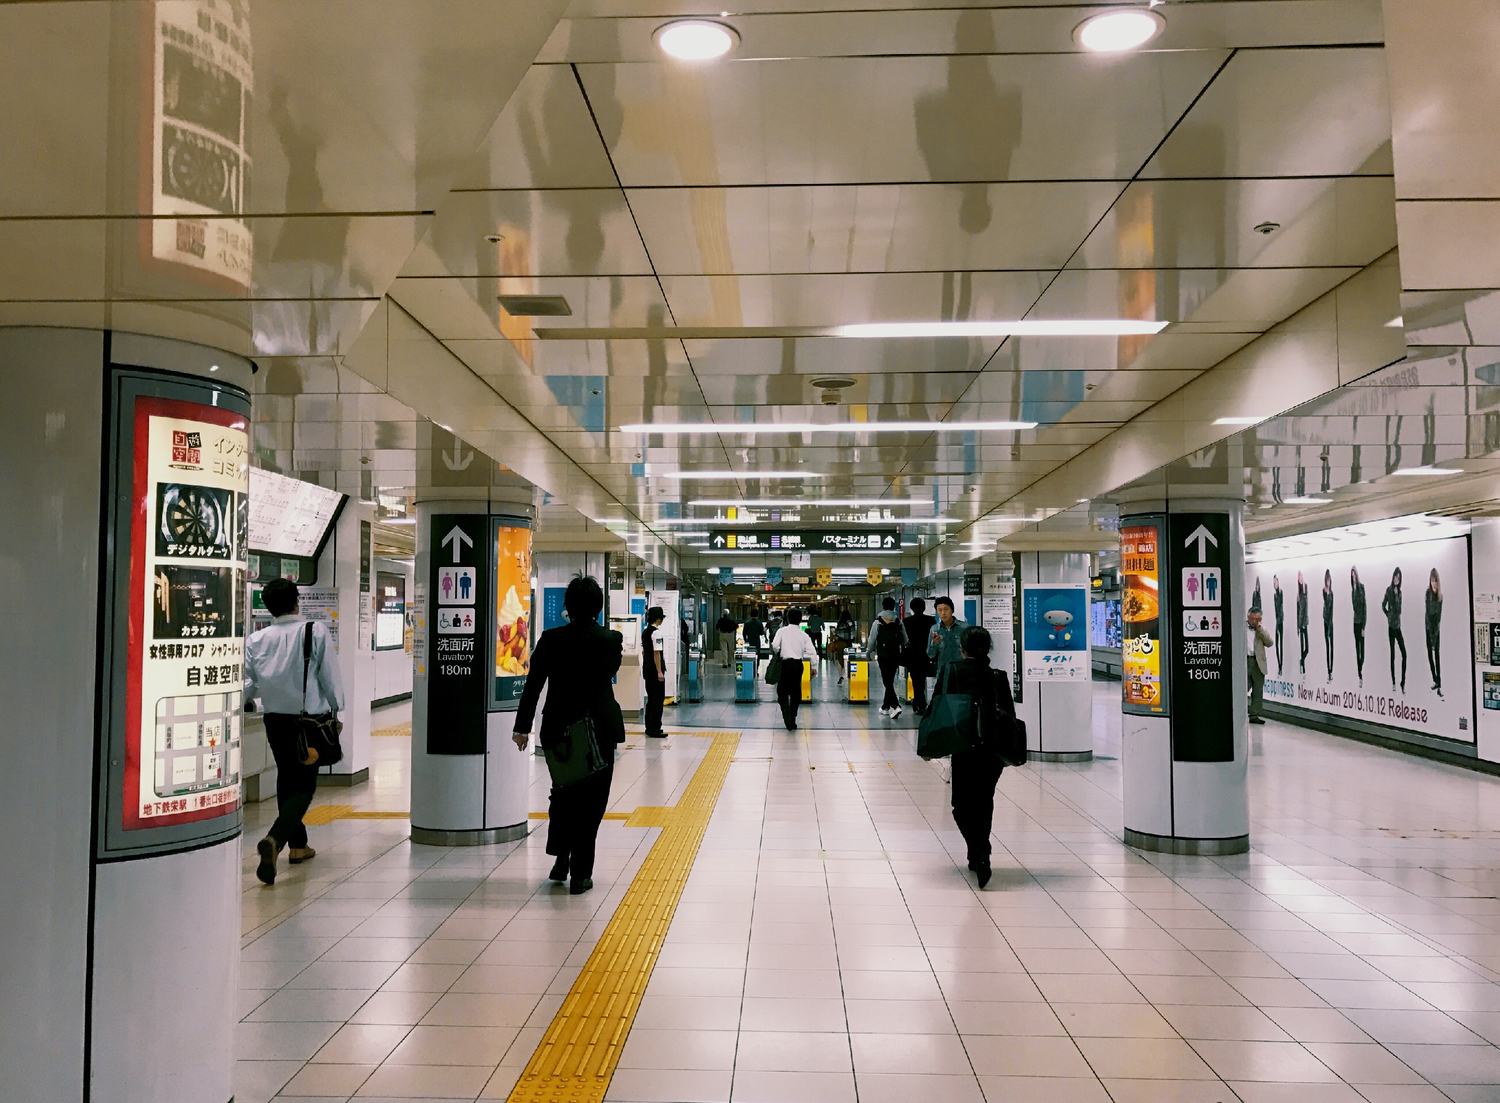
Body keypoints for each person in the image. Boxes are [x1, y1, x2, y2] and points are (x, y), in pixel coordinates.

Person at [512, 576, 625, 895]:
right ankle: (581, 874)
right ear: (599, 607)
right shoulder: (610, 640)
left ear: (567, 607)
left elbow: (532, 685)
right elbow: (607, 675)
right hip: (598, 731)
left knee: (563, 795)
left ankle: (562, 859)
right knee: (592, 803)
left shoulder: (551, 639)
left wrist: (522, 727)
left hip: (560, 730)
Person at [244, 578, 345, 886]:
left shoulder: (256, 639)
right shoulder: (314, 631)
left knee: (287, 776)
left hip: (274, 719)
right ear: (296, 601)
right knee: (304, 786)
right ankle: (275, 839)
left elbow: (249, 682)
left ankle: (298, 847)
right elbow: (329, 674)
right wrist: (337, 709)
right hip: (309, 722)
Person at [930, 626, 1015, 888]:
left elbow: (938, 709)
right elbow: (1009, 716)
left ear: (962, 648)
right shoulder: (998, 677)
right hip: (992, 751)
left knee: (960, 806)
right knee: (984, 801)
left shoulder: (951, 671)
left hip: (964, 748)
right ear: (987, 648)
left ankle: (979, 851)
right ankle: (978, 853)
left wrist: (930, 746)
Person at [771, 607, 818, 730]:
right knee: (796, 692)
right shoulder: (803, 635)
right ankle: (793, 716)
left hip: (784, 664)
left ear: (787, 618)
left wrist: (780, 651)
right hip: (798, 665)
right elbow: (812, 652)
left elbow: (775, 645)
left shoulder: (781, 632)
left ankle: (786, 712)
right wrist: (813, 666)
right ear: (801, 620)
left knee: (782, 691)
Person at [871, 596, 908, 719]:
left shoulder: (878, 622)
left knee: (887, 681)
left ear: (883, 606)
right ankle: (885, 707)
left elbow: (872, 640)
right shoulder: (898, 622)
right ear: (894, 607)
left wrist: (868, 653)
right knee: (889, 680)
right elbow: (905, 640)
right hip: (895, 655)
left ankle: (896, 706)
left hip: (883, 655)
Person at [904, 597, 936, 717]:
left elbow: (904, 639)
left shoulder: (907, 621)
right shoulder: (931, 621)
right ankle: (921, 702)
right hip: (926, 654)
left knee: (916, 679)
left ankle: (919, 702)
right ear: (924, 607)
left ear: (911, 608)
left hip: (912, 655)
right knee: (922, 679)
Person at [641, 606, 667, 738]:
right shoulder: (656, 633)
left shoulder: (645, 632)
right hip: (654, 670)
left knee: (651, 699)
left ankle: (649, 726)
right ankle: (655, 728)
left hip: (647, 669)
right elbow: (657, 653)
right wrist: (660, 671)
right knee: (658, 699)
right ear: (659, 618)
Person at [927, 595, 967, 674]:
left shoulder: (964, 628)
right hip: (943, 671)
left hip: (961, 671)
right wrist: (934, 644)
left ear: (952, 610)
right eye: (940, 610)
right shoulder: (935, 629)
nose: (943, 613)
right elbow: (930, 654)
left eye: (946, 609)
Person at [1247, 609, 1273, 724]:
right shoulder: (1241, 628)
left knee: (1258, 689)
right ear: (1248, 617)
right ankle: (1239, 713)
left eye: (1257, 619)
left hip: (1258, 662)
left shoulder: (1261, 630)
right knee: (1243, 688)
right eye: (1252, 618)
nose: (1254, 621)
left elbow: (1269, 643)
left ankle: (1254, 714)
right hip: (1245, 660)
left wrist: (1261, 629)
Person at [1383, 568, 1406, 694]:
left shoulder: (1400, 592)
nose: (1396, 579)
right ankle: (1393, 682)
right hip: (1391, 627)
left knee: (1404, 654)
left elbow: (1400, 609)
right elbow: (1383, 605)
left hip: (1398, 626)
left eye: (1398, 577)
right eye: (1395, 577)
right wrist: (1389, 615)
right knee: (1392, 655)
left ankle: (1402, 682)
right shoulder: (1389, 590)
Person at [1426, 568, 1443, 697]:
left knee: (1436, 655)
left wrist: (1434, 635)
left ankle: (1439, 683)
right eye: (1432, 581)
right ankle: (1435, 679)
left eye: (1435, 581)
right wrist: (1429, 631)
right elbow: (1427, 614)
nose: (1434, 583)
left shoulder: (1440, 597)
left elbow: (1438, 618)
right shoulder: (1428, 594)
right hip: (1428, 627)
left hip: (1435, 629)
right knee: (1430, 656)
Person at [1351, 567, 1367, 687]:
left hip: (1361, 623)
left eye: (1354, 575)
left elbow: (1364, 607)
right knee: (1357, 650)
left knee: (1363, 650)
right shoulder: (1353, 591)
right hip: (1355, 623)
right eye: (1352, 576)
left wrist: (1363, 626)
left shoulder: (1362, 587)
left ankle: (1361, 667)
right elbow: (1355, 608)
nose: (1353, 577)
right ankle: (1359, 674)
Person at [831, 610, 856, 682]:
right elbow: (852, 633)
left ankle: (841, 675)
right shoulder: (852, 622)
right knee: (849, 658)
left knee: (840, 659)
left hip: (841, 643)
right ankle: (849, 673)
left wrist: (834, 631)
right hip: (849, 643)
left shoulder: (841, 623)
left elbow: (838, 632)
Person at [1322, 569, 1335, 683]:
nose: (1328, 582)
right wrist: (1326, 594)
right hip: (1326, 622)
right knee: (1328, 646)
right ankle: (1328, 671)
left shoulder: (1332, 594)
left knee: (1332, 646)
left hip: (1331, 622)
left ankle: (1331, 670)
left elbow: (1331, 609)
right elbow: (1326, 607)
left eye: (1329, 580)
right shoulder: (1324, 592)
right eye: (1326, 580)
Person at [1296, 572, 1310, 675]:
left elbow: (1306, 606)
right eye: (1298, 577)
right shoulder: (1298, 594)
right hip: (1301, 624)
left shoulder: (1305, 589)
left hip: (1305, 622)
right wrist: (1298, 626)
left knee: (1307, 648)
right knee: (1301, 647)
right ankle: (1303, 668)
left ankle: (1302, 661)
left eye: (1300, 576)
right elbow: (1298, 612)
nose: (1300, 579)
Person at [1273, 575, 1285, 674]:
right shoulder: (1275, 595)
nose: (1275, 584)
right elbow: (1276, 610)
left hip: (1280, 622)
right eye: (1274, 583)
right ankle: (1279, 665)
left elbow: (1280, 609)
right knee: (1276, 644)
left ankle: (1281, 667)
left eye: (1276, 582)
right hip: (1277, 621)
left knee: (1280, 644)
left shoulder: (1280, 593)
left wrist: (1279, 622)